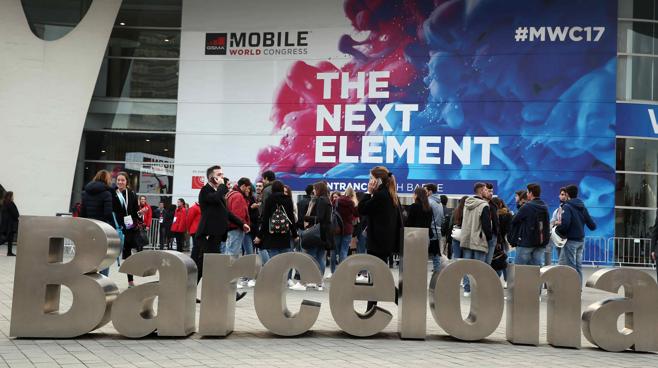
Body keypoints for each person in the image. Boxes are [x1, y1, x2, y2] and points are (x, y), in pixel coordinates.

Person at [194, 165, 250, 302]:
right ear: (211, 177)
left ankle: (186, 293)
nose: (222, 177)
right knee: (216, 265)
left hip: (216, 234)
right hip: (208, 234)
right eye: (219, 175)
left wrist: (241, 223)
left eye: (222, 174)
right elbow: (213, 198)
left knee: (202, 266)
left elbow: (226, 212)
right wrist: (222, 186)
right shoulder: (205, 191)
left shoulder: (217, 192)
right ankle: (229, 293)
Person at [358, 166, 403, 309]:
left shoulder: (381, 195)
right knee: (377, 277)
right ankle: (371, 308)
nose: (369, 181)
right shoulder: (389, 194)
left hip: (378, 243)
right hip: (383, 243)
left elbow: (362, 209)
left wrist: (368, 192)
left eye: (371, 178)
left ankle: (402, 302)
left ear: (377, 180)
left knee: (378, 277)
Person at [254, 180, 302, 289]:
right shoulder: (288, 200)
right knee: (284, 261)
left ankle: (274, 283)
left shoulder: (269, 200)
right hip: (284, 236)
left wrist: (259, 236)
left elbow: (265, 219)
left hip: (272, 236)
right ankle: (283, 281)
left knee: (274, 261)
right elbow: (291, 220)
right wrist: (295, 235)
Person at [556, 184, 596, 283]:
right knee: (578, 266)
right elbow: (592, 225)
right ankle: (578, 289)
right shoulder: (582, 206)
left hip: (571, 240)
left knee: (570, 267)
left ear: (568, 194)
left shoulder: (567, 206)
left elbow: (565, 224)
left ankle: (571, 290)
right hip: (581, 240)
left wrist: (557, 230)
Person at [460, 183, 493, 297]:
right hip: (479, 239)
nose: (487, 191)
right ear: (481, 191)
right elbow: (486, 225)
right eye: (485, 189)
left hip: (467, 238)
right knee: (479, 266)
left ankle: (467, 289)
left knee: (467, 265)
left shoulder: (466, 203)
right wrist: (488, 237)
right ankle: (477, 289)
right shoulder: (484, 205)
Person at [79, 170, 114, 273]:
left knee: (90, 253)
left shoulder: (85, 193)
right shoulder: (107, 193)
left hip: (89, 228)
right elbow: (108, 213)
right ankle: (103, 279)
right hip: (103, 228)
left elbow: (82, 212)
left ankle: (89, 276)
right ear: (107, 179)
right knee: (105, 255)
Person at [301, 181, 333, 289]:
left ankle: (313, 280)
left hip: (317, 232)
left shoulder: (320, 200)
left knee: (312, 256)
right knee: (320, 257)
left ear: (319, 189)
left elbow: (319, 218)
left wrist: (306, 218)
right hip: (325, 233)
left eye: (315, 188)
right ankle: (320, 282)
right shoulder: (327, 200)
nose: (313, 191)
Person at [510, 183, 550, 267]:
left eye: (527, 192)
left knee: (520, 270)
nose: (527, 194)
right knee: (536, 270)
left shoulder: (526, 207)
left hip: (526, 242)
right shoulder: (544, 207)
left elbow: (514, 220)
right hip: (541, 243)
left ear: (531, 193)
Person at [112, 172, 140, 287]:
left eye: (122, 180)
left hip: (128, 227)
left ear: (126, 181)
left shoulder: (132, 194)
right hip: (114, 225)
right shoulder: (112, 193)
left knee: (128, 255)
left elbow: (135, 211)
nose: (120, 182)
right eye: (118, 180)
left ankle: (130, 280)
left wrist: (140, 215)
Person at [226, 178, 253, 261]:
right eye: (248, 188)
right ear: (244, 186)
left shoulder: (231, 194)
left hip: (231, 228)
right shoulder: (238, 196)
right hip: (236, 229)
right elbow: (237, 215)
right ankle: (231, 273)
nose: (249, 191)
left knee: (229, 252)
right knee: (233, 254)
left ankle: (228, 272)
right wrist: (243, 224)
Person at [332, 189, 359, 273]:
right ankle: (341, 272)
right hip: (347, 230)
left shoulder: (336, 201)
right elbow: (356, 214)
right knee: (343, 251)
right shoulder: (351, 203)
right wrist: (355, 204)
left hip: (336, 229)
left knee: (334, 251)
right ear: (352, 195)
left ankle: (333, 271)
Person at [423, 183, 444, 272]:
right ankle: (437, 279)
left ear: (430, 191)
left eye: (425, 191)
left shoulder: (429, 202)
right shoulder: (439, 203)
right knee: (436, 258)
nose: (424, 193)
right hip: (437, 231)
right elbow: (442, 219)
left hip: (429, 232)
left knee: (423, 256)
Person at [491, 197, 512, 285]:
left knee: (497, 260)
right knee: (503, 259)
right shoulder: (508, 214)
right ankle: (507, 280)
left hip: (497, 240)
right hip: (503, 240)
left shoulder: (493, 214)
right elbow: (508, 229)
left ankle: (497, 279)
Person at [550, 187, 568, 258]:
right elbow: (552, 222)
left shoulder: (570, 208)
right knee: (560, 259)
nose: (561, 196)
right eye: (561, 194)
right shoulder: (558, 210)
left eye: (563, 194)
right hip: (558, 237)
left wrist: (559, 222)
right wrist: (555, 223)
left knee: (566, 260)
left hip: (568, 239)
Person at [1, 191, 19, 256]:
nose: (13, 197)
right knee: (6, 238)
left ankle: (9, 252)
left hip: (6, 224)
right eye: (12, 196)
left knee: (9, 239)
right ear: (10, 196)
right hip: (10, 224)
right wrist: (17, 217)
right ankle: (9, 252)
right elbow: (15, 213)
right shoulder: (10, 203)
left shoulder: (5, 203)